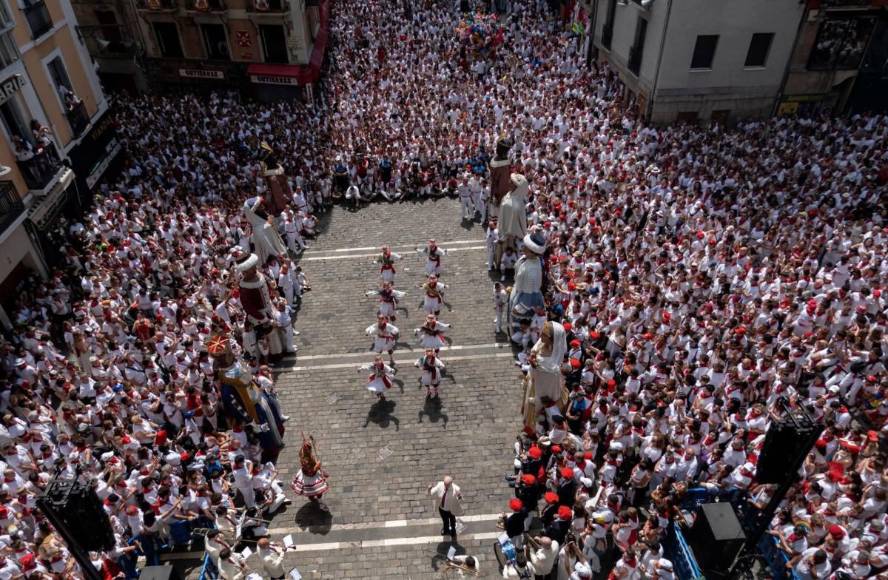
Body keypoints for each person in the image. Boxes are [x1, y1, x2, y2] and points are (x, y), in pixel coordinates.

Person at [291, 435, 330, 505]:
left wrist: (311, 439)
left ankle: (313, 498)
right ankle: (317, 499)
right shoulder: (305, 460)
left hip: (310, 471)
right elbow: (311, 472)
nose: (311, 451)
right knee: (317, 491)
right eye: (310, 450)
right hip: (310, 476)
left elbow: (307, 443)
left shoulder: (303, 452)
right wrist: (317, 466)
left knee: (312, 491)